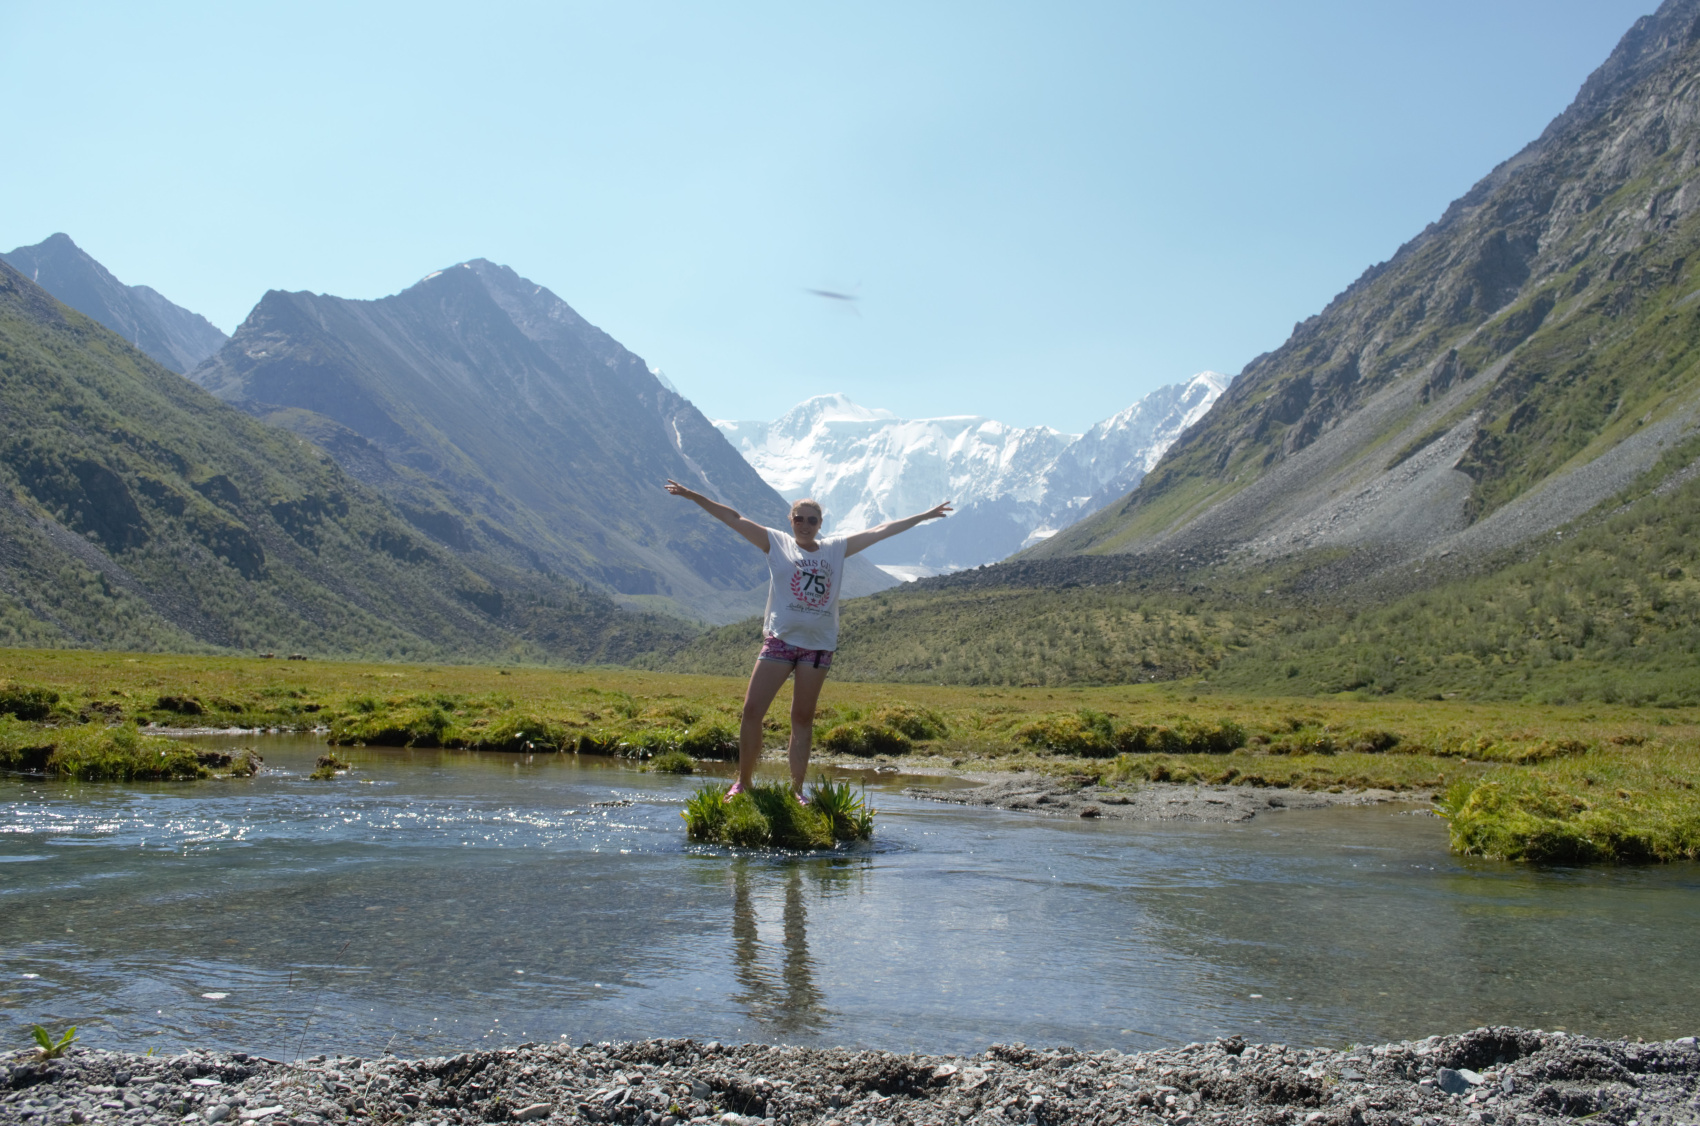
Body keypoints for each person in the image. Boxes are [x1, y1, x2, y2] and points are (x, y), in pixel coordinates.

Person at [664, 480, 951, 797]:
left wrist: (923, 515)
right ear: (791, 520)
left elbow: (880, 530)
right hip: (780, 641)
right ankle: (744, 783)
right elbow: (734, 518)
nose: (804, 525)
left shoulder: (835, 548)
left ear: (820, 525)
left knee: (802, 719)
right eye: (799, 518)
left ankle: (796, 791)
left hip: (818, 647)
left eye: (811, 520)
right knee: (751, 711)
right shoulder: (777, 543)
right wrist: (692, 496)